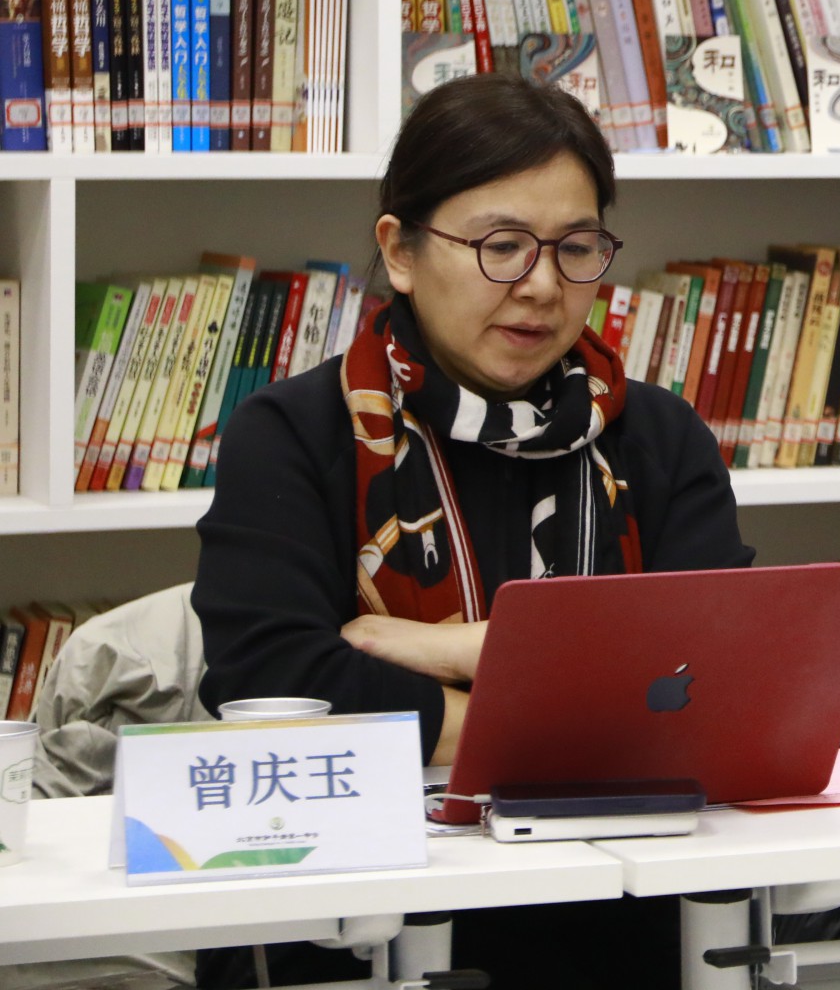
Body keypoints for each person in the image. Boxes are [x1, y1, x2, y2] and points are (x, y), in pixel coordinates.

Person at [193, 73, 751, 987]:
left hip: (623, 919)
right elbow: (275, 688)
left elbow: (724, 691)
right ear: (401, 251)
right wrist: (601, 719)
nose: (542, 286)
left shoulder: (658, 436)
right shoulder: (293, 434)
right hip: (354, 925)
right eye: (501, 246)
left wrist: (461, 651)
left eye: (576, 248)